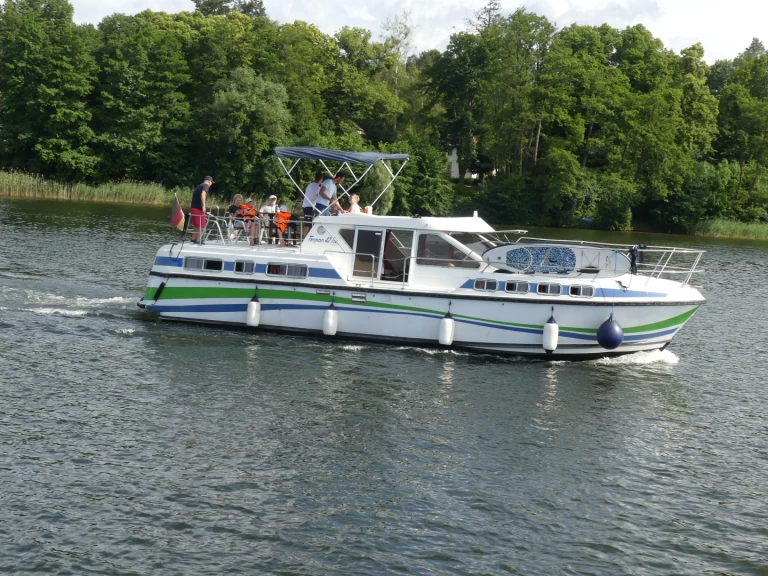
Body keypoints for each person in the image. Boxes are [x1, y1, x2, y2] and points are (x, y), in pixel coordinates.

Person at [190, 176, 213, 244]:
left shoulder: (199, 186)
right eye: (211, 182)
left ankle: (193, 239)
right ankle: (198, 240)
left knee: (196, 225)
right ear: (209, 181)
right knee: (201, 225)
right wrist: (204, 206)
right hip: (198, 208)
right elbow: (203, 194)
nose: (211, 184)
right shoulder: (205, 186)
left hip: (193, 207)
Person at [302, 172, 323, 236]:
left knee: (308, 224)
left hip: (306, 205)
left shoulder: (310, 185)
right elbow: (319, 196)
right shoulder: (317, 187)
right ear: (321, 179)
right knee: (308, 225)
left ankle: (305, 238)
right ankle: (304, 240)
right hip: (309, 206)